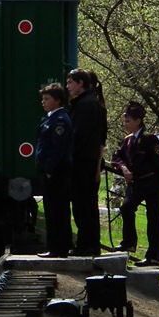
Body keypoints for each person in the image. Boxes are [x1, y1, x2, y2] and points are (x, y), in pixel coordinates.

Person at [112, 101, 159, 264]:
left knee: (154, 219)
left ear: (138, 121)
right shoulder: (127, 140)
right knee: (126, 207)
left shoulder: (149, 139)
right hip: (135, 184)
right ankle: (129, 243)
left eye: (128, 120)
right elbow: (117, 158)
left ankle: (154, 256)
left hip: (151, 183)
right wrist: (123, 169)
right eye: (125, 121)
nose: (125, 124)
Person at [66, 68, 106, 257]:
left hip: (82, 161)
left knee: (83, 206)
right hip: (89, 161)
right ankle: (91, 244)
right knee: (88, 205)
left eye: (70, 83)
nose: (68, 87)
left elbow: (78, 135)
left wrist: (67, 154)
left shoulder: (84, 105)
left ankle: (85, 245)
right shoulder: (95, 104)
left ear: (80, 83)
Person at [36, 83, 74, 258]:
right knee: (52, 208)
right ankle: (58, 246)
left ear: (57, 100)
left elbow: (58, 148)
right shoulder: (50, 118)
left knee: (57, 209)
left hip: (57, 171)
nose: (43, 102)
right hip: (51, 170)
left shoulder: (60, 120)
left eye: (47, 99)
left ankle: (58, 247)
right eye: (43, 99)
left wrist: (50, 169)